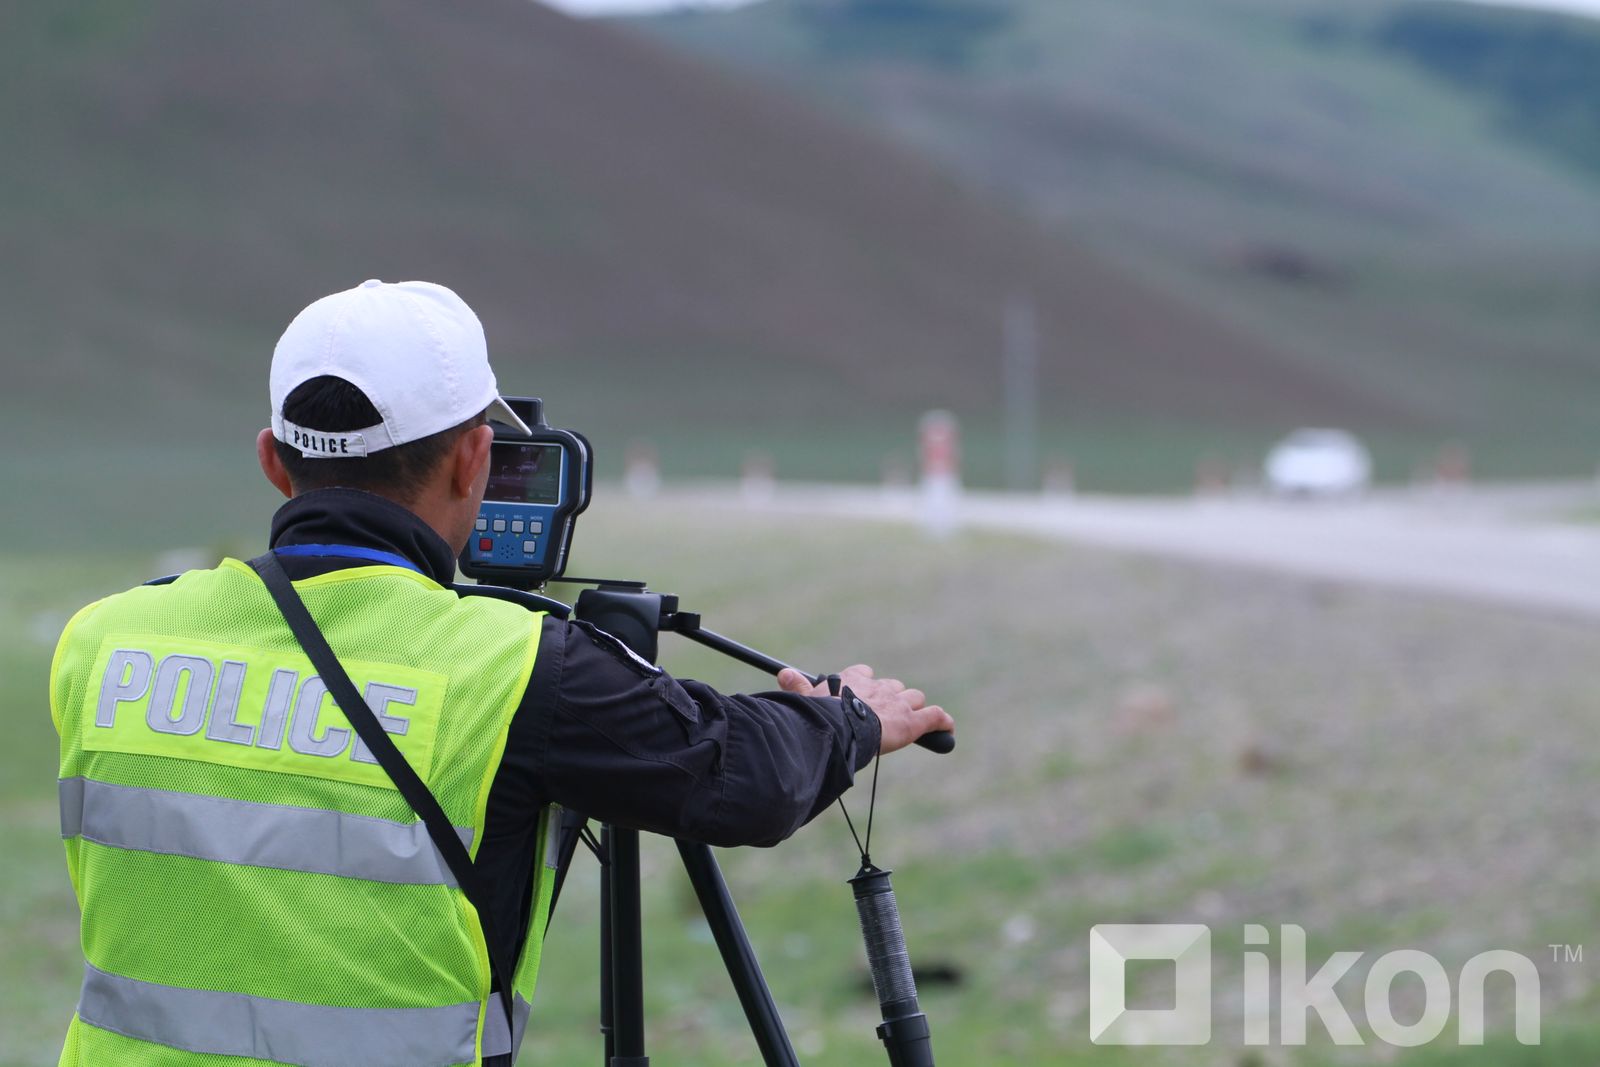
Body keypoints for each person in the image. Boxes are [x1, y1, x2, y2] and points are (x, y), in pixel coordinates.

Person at [49, 278, 954, 1067]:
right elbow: (743, 780)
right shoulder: (515, 669)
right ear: (477, 458)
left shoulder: (102, 643)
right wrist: (849, 716)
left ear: (271, 461)